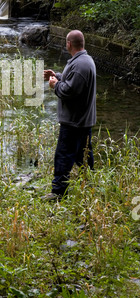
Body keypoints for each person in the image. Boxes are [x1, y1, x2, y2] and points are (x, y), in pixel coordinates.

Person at [43, 30, 96, 201]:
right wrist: (56, 76)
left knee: (63, 156)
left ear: (69, 44)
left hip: (74, 122)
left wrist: (55, 86)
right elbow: (74, 81)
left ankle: (58, 192)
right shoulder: (84, 61)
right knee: (84, 156)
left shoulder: (80, 65)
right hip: (83, 120)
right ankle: (90, 185)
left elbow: (69, 90)